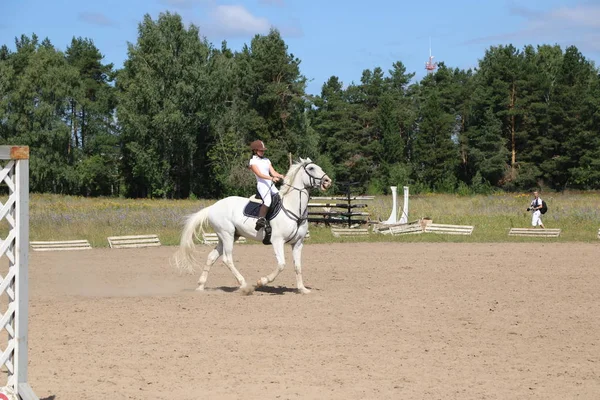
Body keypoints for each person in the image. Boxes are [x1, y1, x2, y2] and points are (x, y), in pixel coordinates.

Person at [248, 140, 284, 231]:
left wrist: (280, 175)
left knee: (280, 197)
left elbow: (273, 172)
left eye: (263, 150)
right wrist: (271, 178)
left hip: (270, 184)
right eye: (261, 150)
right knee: (268, 201)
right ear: (255, 150)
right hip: (262, 184)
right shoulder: (252, 162)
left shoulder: (266, 160)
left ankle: (275, 218)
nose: (263, 152)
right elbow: (259, 174)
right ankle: (261, 219)